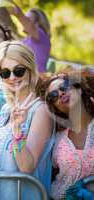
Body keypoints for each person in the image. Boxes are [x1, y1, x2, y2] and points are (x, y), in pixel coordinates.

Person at [0, 40, 54, 200]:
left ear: (30, 69)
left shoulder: (40, 110)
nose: (12, 77)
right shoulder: (6, 109)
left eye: (18, 71)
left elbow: (27, 167)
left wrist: (18, 133)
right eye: (5, 72)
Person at [42, 69, 94, 199]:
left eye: (64, 87)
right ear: (55, 108)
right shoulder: (56, 139)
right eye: (53, 96)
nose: (60, 93)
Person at [8, 3, 51, 73]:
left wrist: (18, 13)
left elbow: (22, 18)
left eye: (28, 19)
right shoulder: (27, 40)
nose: (24, 21)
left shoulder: (41, 35)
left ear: (37, 23)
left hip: (38, 79)